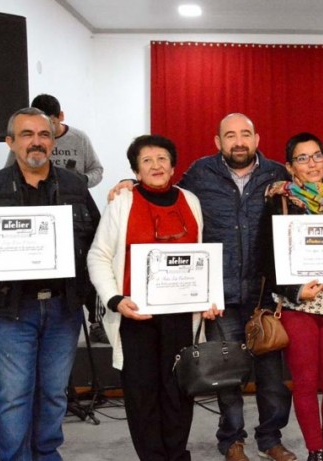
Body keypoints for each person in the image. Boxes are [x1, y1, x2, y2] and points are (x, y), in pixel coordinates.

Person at [0, 107, 100, 460]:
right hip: (11, 310)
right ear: (11, 143)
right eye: (27, 135)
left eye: (44, 135)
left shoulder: (75, 186)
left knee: (53, 393)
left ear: (52, 141)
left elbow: (97, 241)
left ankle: (46, 454)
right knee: (14, 395)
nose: (37, 142)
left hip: (64, 307)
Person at [87, 134, 222, 460]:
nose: (156, 165)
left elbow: (202, 255)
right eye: (147, 160)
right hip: (136, 317)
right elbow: (98, 256)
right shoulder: (122, 203)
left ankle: (176, 455)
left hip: (181, 316)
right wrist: (115, 298)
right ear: (136, 169)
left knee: (178, 391)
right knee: (142, 394)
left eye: (162, 159)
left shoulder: (190, 200)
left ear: (173, 165)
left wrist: (211, 297)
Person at [178, 114, 295, 461]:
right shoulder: (199, 173)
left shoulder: (276, 174)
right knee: (226, 375)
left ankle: (270, 438)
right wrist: (127, 181)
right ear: (218, 142)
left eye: (245, 134)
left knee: (272, 376)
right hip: (220, 294)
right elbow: (168, 196)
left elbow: (310, 197)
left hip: (264, 293)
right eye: (230, 136)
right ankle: (232, 440)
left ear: (257, 139)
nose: (238, 141)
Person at [260, 132, 323, 461]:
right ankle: (315, 451)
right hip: (297, 304)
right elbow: (267, 257)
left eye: (317, 155)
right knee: (305, 382)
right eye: (302, 158)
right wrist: (294, 290)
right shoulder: (278, 201)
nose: (312, 163)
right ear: (290, 167)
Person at [6, 93, 107, 342]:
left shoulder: (79, 138)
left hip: (74, 208)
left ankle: (97, 320)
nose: (40, 137)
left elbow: (97, 170)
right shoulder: (24, 148)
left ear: (60, 118)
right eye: (31, 132)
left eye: (48, 127)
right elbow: (11, 173)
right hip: (36, 215)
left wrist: (80, 182)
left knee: (87, 260)